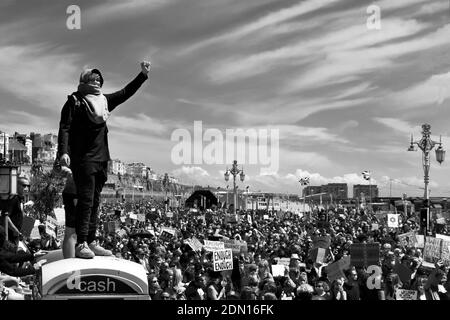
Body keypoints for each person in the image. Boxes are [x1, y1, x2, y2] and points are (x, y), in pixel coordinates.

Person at [58, 61, 151, 259]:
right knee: (85, 200)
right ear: (84, 80)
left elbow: (125, 92)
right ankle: (81, 242)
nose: (97, 82)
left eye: (99, 79)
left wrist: (142, 75)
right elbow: (64, 127)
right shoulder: (75, 101)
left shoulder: (105, 101)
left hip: (101, 159)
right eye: (93, 79)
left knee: (96, 201)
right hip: (83, 159)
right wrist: (63, 152)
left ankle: (91, 240)